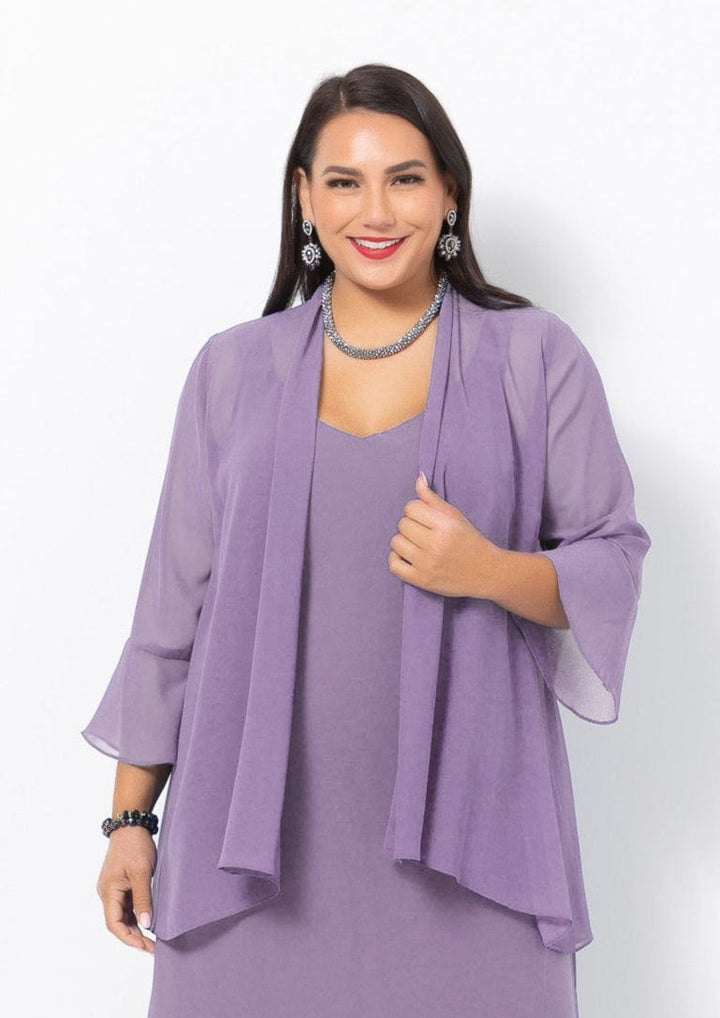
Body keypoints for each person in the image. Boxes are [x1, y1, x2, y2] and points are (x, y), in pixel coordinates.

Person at [81, 63, 651, 1017]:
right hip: (246, 850)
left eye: (406, 178)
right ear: (304, 197)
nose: (375, 210)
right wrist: (130, 820)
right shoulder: (232, 371)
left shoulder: (534, 356)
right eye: (344, 181)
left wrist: (489, 569)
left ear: (449, 192)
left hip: (476, 841)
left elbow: (612, 559)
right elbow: (171, 617)